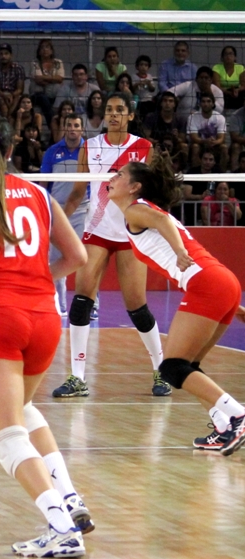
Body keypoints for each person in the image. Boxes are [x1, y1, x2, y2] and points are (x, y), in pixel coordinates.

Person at [0, 114, 90, 557]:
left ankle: (61, 526)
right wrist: (41, 280)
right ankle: (69, 498)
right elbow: (77, 256)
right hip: (46, 315)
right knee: (22, 410)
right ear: (11, 150)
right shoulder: (41, 195)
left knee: (7, 434)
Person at [107, 159, 245, 455]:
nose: (112, 178)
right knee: (188, 366)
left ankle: (238, 415)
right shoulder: (141, 211)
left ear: (134, 187)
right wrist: (237, 307)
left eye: (119, 175)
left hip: (207, 282)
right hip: (222, 282)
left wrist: (179, 252)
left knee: (171, 367)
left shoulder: (136, 209)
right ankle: (223, 427)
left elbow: (163, 222)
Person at [56, 92, 169, 398]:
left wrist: (158, 225)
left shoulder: (144, 148)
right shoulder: (90, 147)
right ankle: (77, 377)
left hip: (132, 232)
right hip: (97, 231)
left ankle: (163, 371)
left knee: (136, 305)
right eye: (109, 109)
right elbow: (78, 192)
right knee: (82, 299)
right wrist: (60, 224)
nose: (114, 114)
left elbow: (155, 192)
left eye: (120, 109)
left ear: (130, 115)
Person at [39, 113, 100, 318]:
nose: (72, 128)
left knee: (88, 260)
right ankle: (58, 306)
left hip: (82, 211)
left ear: (82, 129)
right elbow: (44, 184)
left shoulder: (90, 152)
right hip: (57, 211)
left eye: (76, 125)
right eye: (69, 125)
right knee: (56, 259)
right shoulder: (52, 152)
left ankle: (91, 305)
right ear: (64, 128)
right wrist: (43, 209)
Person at [187, 92, 227, 169]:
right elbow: (194, 137)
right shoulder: (193, 117)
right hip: (200, 144)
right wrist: (205, 141)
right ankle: (197, 174)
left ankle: (222, 174)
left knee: (224, 147)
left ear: (213, 104)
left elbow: (221, 138)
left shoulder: (220, 117)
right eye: (203, 101)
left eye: (208, 101)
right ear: (200, 104)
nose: (206, 104)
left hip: (214, 145)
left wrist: (214, 142)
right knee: (195, 146)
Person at [29, 39, 63, 126]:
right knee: (43, 98)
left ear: (52, 50)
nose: (45, 50)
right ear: (39, 51)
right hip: (37, 95)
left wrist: (44, 78)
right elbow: (38, 79)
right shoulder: (34, 63)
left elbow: (60, 78)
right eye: (42, 48)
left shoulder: (58, 63)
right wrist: (53, 80)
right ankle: (53, 125)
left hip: (54, 95)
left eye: (47, 47)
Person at [0, 43, 25, 118]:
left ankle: (6, 122)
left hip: (14, 95)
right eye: (1, 54)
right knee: (3, 103)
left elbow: (20, 89)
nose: (3, 56)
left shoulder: (19, 68)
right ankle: (8, 122)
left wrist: (11, 95)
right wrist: (4, 95)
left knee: (17, 99)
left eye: (6, 53)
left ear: (11, 55)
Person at [212, 46, 245, 110]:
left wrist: (237, 90)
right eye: (226, 54)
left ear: (235, 57)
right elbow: (217, 86)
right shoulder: (217, 67)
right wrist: (229, 92)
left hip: (238, 92)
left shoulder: (240, 67)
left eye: (230, 54)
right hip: (223, 92)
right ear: (222, 57)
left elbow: (244, 85)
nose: (228, 56)